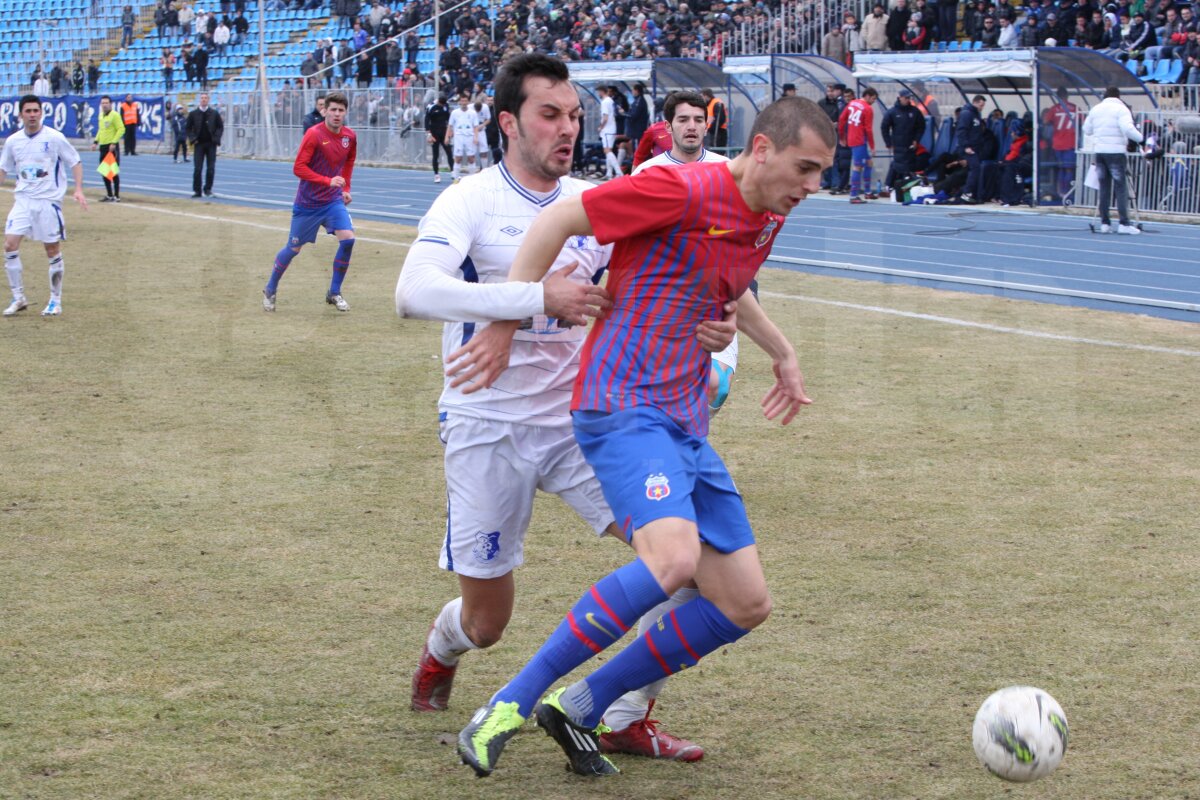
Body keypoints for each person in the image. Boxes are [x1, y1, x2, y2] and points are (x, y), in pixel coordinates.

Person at [453, 95, 833, 779]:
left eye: (820, 174)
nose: (812, 187)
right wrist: (508, 317)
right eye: (805, 168)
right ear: (763, 150)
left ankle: (584, 703)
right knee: (673, 560)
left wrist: (778, 349)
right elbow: (559, 217)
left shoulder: (767, 216)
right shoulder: (678, 185)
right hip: (622, 405)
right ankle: (509, 702)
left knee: (746, 602)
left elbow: (727, 284)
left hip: (685, 418)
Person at [398, 54, 727, 765]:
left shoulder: (596, 198)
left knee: (689, 565)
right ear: (508, 122)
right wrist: (531, 299)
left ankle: (625, 714)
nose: (568, 128)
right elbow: (413, 291)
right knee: (489, 624)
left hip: (585, 425)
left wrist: (716, 328)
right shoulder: (470, 200)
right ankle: (442, 646)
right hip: (486, 424)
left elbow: (671, 275)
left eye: (576, 115)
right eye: (551, 114)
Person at [262, 92, 357, 312]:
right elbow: (299, 168)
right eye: (332, 109)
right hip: (309, 203)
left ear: (345, 112)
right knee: (293, 248)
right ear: (324, 111)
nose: (336, 114)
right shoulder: (314, 134)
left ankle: (334, 292)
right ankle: (270, 288)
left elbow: (349, 162)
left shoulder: (350, 136)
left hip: (333, 201)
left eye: (341, 110)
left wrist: (345, 188)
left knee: (348, 239)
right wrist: (327, 180)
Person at [1, 95, 88, 318]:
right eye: (28, 111)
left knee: (51, 250)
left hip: (48, 202)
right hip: (22, 200)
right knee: (10, 245)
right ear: (21, 114)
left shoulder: (55, 138)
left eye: (35, 111)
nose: (32, 115)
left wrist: (78, 189)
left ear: (41, 113)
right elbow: (4, 169)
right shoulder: (12, 141)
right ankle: (19, 297)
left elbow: (75, 161)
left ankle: (55, 301)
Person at [1081, 86, 1143, 234]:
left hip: (1100, 152)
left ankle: (1105, 223)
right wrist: (1141, 139)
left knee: (1104, 188)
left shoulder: (1096, 109)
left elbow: (1087, 129)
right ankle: (1124, 223)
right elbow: (1127, 129)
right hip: (1116, 152)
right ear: (1118, 96)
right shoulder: (1121, 109)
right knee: (1121, 187)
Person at [881, 89, 925, 196]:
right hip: (898, 144)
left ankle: (900, 188)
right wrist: (888, 142)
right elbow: (884, 127)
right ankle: (892, 187)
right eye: (905, 98)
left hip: (910, 145)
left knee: (908, 167)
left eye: (909, 98)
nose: (907, 100)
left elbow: (921, 126)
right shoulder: (892, 112)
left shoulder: (914, 111)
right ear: (900, 97)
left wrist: (916, 140)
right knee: (898, 166)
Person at [839, 86, 877, 203]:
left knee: (869, 162)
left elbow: (841, 119)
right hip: (859, 139)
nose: (873, 102)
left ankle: (867, 192)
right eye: (873, 99)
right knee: (858, 166)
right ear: (868, 96)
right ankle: (853, 194)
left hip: (852, 137)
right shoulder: (867, 109)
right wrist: (872, 146)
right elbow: (868, 129)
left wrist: (842, 136)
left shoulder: (852, 103)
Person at [1042, 87, 1078, 200]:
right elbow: (1083, 121)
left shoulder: (1054, 109)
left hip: (1057, 144)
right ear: (1067, 96)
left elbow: (1045, 121)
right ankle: (1068, 193)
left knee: (1060, 168)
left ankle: (1061, 192)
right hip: (1070, 142)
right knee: (1069, 169)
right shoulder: (1075, 108)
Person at [186, 92, 223, 198]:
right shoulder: (193, 114)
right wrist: (193, 139)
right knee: (198, 168)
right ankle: (197, 190)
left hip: (211, 144)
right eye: (202, 98)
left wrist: (216, 138)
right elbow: (188, 128)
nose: (203, 100)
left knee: (210, 168)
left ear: (208, 100)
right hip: (199, 144)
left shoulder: (214, 113)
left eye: (205, 98)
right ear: (199, 100)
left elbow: (220, 127)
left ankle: (208, 189)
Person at [93, 95, 125, 202]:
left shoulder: (115, 115)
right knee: (104, 171)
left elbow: (121, 129)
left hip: (111, 147)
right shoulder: (101, 116)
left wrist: (114, 142)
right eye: (103, 103)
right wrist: (95, 141)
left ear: (110, 104)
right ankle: (109, 194)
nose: (104, 105)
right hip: (103, 146)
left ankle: (116, 195)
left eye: (106, 103)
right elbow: (100, 130)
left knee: (113, 171)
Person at [955, 94, 987, 203]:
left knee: (974, 170)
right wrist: (966, 146)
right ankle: (967, 193)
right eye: (981, 105)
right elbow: (961, 131)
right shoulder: (967, 114)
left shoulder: (975, 114)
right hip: (969, 148)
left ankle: (970, 193)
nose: (982, 108)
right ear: (976, 102)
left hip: (976, 148)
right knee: (975, 168)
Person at [446, 93, 480, 182]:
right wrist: (447, 137)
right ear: (459, 102)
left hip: (469, 137)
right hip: (458, 137)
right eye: (462, 101)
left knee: (471, 158)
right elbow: (450, 125)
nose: (464, 103)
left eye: (465, 101)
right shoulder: (454, 113)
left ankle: (471, 179)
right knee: (458, 158)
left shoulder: (472, 113)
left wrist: (476, 137)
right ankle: (456, 178)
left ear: (468, 102)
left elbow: (475, 126)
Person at [424, 94, 452, 183]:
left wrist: (450, 131)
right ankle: (436, 174)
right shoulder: (431, 106)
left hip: (443, 132)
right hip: (434, 133)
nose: (442, 106)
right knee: (435, 154)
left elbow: (449, 118)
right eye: (441, 104)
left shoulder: (446, 106)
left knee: (449, 152)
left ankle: (453, 172)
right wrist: (428, 133)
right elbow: (427, 120)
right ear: (438, 101)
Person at [598, 85, 620, 179]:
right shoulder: (611, 101)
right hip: (612, 128)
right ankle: (609, 173)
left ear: (601, 91)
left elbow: (605, 117)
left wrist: (601, 127)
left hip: (607, 129)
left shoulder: (604, 102)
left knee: (607, 150)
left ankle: (618, 172)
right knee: (609, 151)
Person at [700, 87, 727, 153]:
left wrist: (711, 129)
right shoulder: (708, 105)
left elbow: (720, 120)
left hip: (718, 133)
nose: (701, 99)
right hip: (711, 133)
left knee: (716, 152)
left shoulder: (717, 103)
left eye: (702, 96)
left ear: (706, 96)